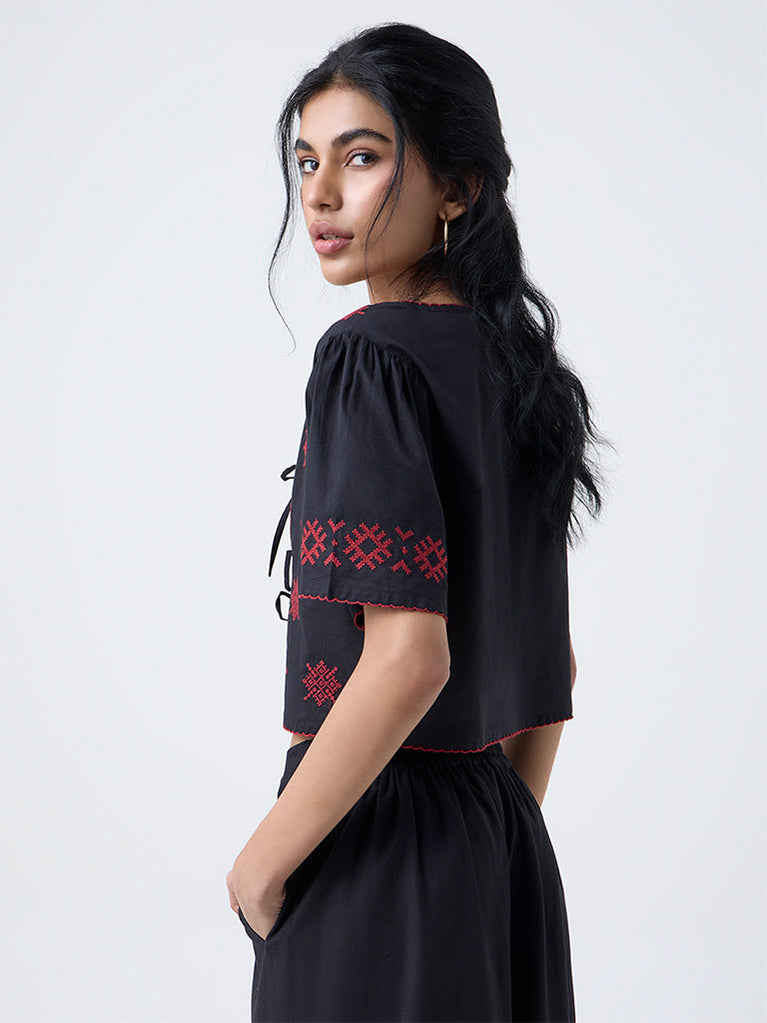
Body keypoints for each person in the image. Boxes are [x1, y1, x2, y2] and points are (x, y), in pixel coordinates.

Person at [226, 22, 608, 1023]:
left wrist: (260, 865)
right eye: (305, 160)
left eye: (361, 157)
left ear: (458, 188)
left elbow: (407, 660)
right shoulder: (518, 370)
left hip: (374, 845)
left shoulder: (369, 357)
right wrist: (495, 832)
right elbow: (551, 663)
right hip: (498, 840)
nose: (319, 194)